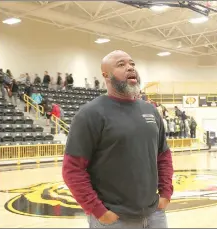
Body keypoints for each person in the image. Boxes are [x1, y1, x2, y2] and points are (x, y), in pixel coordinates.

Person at [62, 50, 174, 228]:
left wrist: (166, 192)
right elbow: (72, 169)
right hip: (114, 219)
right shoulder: (90, 114)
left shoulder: (150, 110)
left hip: (154, 214)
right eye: (121, 65)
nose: (130, 68)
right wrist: (99, 211)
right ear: (105, 75)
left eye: (132, 64)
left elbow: (163, 156)